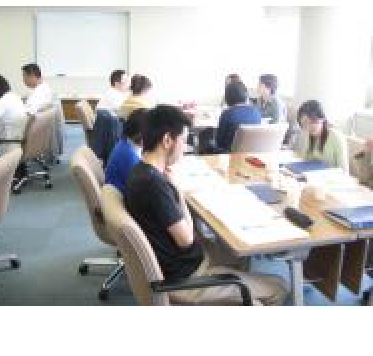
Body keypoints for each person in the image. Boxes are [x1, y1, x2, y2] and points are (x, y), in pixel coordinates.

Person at [124, 104, 288, 305]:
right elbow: (186, 239)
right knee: (279, 287)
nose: (185, 148)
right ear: (167, 140)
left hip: (179, 263)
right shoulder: (154, 184)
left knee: (239, 252)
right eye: (184, 140)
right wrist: (179, 192)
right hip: (186, 278)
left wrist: (174, 189)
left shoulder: (140, 171)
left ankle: (236, 292)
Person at [296, 100, 348, 171]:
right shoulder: (309, 135)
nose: (308, 127)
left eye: (312, 122)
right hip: (311, 175)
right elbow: (305, 162)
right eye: (304, 124)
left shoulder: (336, 137)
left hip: (331, 177)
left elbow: (344, 171)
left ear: (322, 118)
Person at [105, 108, 147, 193]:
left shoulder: (124, 142)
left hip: (119, 190)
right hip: (124, 196)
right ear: (141, 135)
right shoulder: (130, 157)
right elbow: (144, 189)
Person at [216, 81, 261, 152]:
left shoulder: (227, 113)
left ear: (228, 96)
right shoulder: (256, 112)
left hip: (229, 154)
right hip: (251, 153)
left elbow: (219, 142)